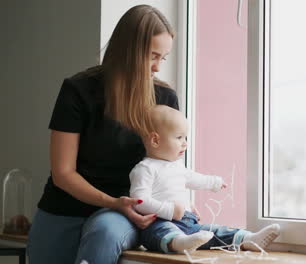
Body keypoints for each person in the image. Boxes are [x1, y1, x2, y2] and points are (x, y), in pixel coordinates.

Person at [27, 5, 178, 264]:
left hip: (125, 214)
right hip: (64, 210)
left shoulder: (165, 98)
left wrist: (176, 201)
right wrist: (111, 201)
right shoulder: (78, 90)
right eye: (152, 56)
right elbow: (63, 174)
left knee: (105, 231)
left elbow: (168, 166)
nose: (157, 68)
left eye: (162, 58)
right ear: (128, 51)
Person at [129, 105, 281, 254]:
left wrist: (214, 182)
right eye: (179, 137)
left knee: (214, 231)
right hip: (159, 222)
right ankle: (179, 243)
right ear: (155, 140)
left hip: (189, 222)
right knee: (164, 232)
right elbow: (138, 201)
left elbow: (194, 178)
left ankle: (249, 239)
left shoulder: (177, 166)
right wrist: (169, 210)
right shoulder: (145, 169)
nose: (185, 143)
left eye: (185, 137)